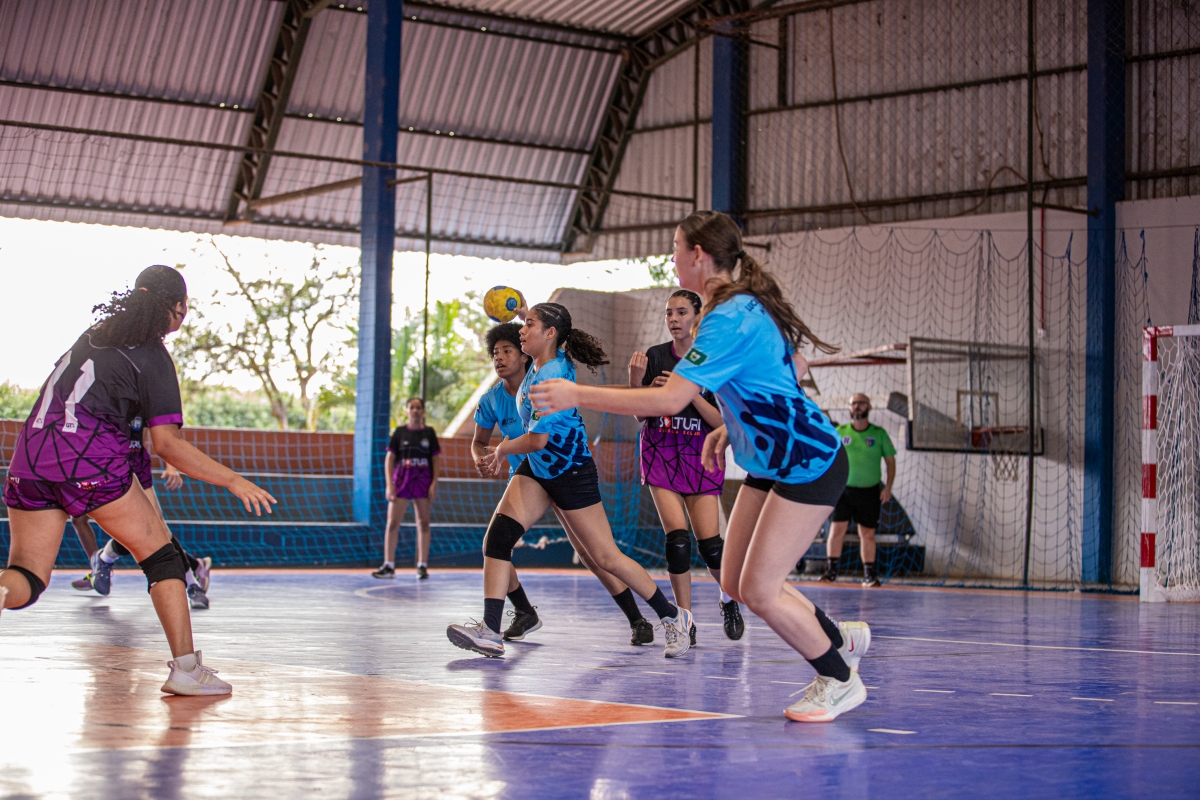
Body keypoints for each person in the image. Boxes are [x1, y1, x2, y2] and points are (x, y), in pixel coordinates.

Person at [530, 212, 872, 722]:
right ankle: (837, 637)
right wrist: (732, 425)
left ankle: (839, 677)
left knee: (760, 590)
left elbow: (668, 400)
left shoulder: (727, 316)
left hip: (806, 459)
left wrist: (577, 393)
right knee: (733, 579)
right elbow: (789, 368)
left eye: (675, 246)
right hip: (771, 459)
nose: (671, 257)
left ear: (697, 254)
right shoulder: (739, 305)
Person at [0, 265, 276, 696]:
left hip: (30, 458)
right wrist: (233, 480)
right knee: (162, 557)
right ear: (178, 308)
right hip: (88, 461)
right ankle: (186, 670)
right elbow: (167, 445)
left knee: (27, 578)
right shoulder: (152, 355)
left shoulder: (93, 335)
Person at [448, 302, 693, 659]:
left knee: (606, 557)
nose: (521, 331)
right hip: (537, 469)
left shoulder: (551, 377)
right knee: (498, 539)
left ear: (549, 334)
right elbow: (549, 329)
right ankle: (490, 631)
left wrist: (501, 450)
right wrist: (524, 310)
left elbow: (537, 440)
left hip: (570, 471)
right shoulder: (543, 357)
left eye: (529, 325)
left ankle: (672, 616)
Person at [471, 323, 656, 646]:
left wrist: (637, 389)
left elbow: (585, 395)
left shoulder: (547, 382)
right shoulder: (492, 400)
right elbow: (478, 442)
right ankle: (518, 614)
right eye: (495, 352)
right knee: (495, 544)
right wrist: (480, 457)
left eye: (507, 350)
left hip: (563, 472)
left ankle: (640, 619)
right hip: (530, 479)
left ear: (524, 354)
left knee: (593, 554)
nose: (498, 357)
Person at [629, 289, 744, 643]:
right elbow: (639, 414)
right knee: (677, 542)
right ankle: (684, 621)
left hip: (701, 454)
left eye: (681, 312)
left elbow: (723, 422)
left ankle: (729, 600)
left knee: (711, 546)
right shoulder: (655, 356)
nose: (674, 319)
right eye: (669, 313)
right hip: (661, 451)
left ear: (698, 316)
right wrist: (637, 382)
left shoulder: (714, 360)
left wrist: (688, 391)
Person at [73, 444, 213, 609]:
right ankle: (99, 566)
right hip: (102, 463)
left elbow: (163, 437)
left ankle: (192, 584)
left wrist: (170, 466)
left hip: (133, 464)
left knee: (152, 527)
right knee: (80, 519)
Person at [822, 394, 897, 587]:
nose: (857, 406)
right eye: (853, 403)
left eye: (861, 403)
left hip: (869, 491)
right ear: (849, 408)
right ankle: (830, 571)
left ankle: (869, 575)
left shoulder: (879, 434)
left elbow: (890, 462)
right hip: (843, 491)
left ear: (869, 407)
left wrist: (888, 487)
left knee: (868, 534)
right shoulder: (840, 431)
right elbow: (828, 457)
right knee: (836, 530)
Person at [372, 398, 440, 580]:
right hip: (401, 482)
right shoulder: (400, 432)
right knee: (392, 523)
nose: (415, 410)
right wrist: (389, 484)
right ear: (407, 411)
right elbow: (389, 459)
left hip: (422, 482)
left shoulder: (429, 433)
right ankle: (388, 565)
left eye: (418, 407)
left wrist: (433, 483)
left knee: (423, 523)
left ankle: (422, 566)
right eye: (412, 407)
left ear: (423, 411)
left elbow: (435, 460)